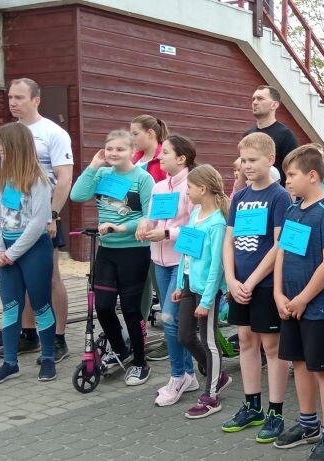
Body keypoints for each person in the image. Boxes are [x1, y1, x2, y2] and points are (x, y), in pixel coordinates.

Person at [272, 144, 324, 460]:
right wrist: (278, 293)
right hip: (291, 305)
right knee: (300, 363)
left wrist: (303, 299)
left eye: (292, 175)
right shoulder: (293, 210)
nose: (287, 181)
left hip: (320, 308)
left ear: (313, 176)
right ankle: (308, 423)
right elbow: (282, 252)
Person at [0, 78, 72, 362]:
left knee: (50, 277)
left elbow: (64, 179)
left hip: (43, 215)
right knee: (20, 276)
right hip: (12, 217)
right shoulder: (5, 135)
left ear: (36, 100)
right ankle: (29, 334)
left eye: (19, 97)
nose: (13, 103)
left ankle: (59, 337)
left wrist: (53, 215)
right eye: (10, 98)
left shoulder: (54, 132)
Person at [221, 132, 293, 443]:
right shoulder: (239, 197)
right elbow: (229, 240)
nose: (247, 166)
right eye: (243, 161)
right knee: (246, 341)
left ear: (270, 160)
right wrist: (231, 278)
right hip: (239, 284)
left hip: (264, 284)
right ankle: (252, 406)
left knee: (272, 347)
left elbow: (279, 245)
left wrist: (251, 281)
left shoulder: (279, 196)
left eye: (253, 160)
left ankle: (276, 411)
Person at [70, 129, 155, 385]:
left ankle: (140, 361)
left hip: (134, 251)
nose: (114, 153)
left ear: (132, 151)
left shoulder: (142, 178)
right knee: (103, 306)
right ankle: (119, 349)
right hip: (107, 250)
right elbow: (77, 195)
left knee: (130, 309)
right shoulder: (102, 174)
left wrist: (121, 227)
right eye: (110, 149)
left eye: (120, 149)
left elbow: (149, 216)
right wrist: (93, 165)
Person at [0, 122, 56, 383]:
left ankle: (48, 358)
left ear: (17, 146)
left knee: (40, 304)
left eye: (2, 144)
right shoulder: (5, 178)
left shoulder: (39, 180)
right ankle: (10, 362)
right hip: (6, 252)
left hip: (33, 250)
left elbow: (38, 223)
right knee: (10, 306)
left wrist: (11, 254)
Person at [138, 134, 200, 406]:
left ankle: (177, 377)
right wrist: (144, 225)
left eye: (165, 153)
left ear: (181, 158)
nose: (159, 157)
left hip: (180, 263)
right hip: (159, 262)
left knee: (169, 319)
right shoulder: (159, 186)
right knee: (172, 321)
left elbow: (197, 230)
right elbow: (152, 219)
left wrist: (166, 234)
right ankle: (188, 374)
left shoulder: (193, 187)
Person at [173, 164, 232, 419]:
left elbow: (217, 266)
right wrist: (179, 284)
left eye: (190, 187)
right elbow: (185, 251)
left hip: (206, 291)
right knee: (184, 336)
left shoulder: (217, 223)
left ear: (203, 188)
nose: (187, 192)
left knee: (209, 342)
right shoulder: (195, 214)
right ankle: (218, 375)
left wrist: (207, 301)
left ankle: (211, 396)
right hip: (189, 285)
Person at [130, 114, 170, 361]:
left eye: (135, 133)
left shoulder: (164, 158)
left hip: (157, 233)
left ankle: (170, 337)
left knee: (162, 287)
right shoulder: (133, 159)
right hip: (135, 232)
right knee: (140, 285)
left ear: (151, 134)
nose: (132, 138)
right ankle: (139, 333)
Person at [246, 85, 299, 186]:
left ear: (274, 105)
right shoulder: (248, 135)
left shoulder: (285, 135)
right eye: (253, 99)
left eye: (260, 99)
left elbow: (294, 171)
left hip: (277, 193)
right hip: (252, 192)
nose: (254, 102)